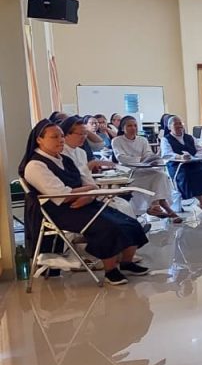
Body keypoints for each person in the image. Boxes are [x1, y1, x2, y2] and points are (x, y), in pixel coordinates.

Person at [20, 120, 150, 285]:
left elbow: (87, 182)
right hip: (61, 211)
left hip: (84, 203)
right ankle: (110, 271)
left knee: (129, 221)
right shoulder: (35, 165)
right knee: (108, 227)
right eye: (54, 137)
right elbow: (62, 195)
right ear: (39, 139)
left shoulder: (65, 159)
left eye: (61, 136)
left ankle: (126, 262)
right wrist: (88, 190)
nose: (60, 140)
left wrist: (89, 195)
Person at [111, 115, 180, 222]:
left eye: (135, 125)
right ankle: (164, 208)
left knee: (161, 175)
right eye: (129, 126)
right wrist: (140, 159)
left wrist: (151, 160)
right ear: (123, 128)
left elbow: (148, 154)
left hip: (143, 169)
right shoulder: (117, 140)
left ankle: (156, 205)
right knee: (156, 178)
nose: (133, 128)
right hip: (127, 171)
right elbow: (121, 157)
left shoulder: (142, 140)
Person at [161, 115, 202, 214]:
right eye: (175, 124)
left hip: (193, 163)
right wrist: (180, 157)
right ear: (169, 127)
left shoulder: (190, 137)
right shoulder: (166, 139)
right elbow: (167, 154)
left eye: (180, 124)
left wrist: (194, 157)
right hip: (177, 166)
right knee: (188, 177)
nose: (179, 126)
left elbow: (200, 149)